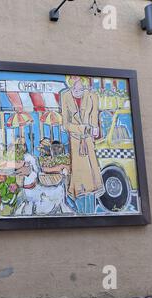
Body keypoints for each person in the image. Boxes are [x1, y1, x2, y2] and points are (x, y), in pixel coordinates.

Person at [61, 75, 104, 214]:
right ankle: (81, 213)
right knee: (79, 181)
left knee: (91, 180)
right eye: (74, 86)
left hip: (88, 142)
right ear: (69, 84)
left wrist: (94, 129)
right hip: (75, 142)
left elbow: (95, 121)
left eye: (80, 85)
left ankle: (90, 213)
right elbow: (65, 125)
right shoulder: (65, 96)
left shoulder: (92, 96)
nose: (77, 89)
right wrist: (82, 128)